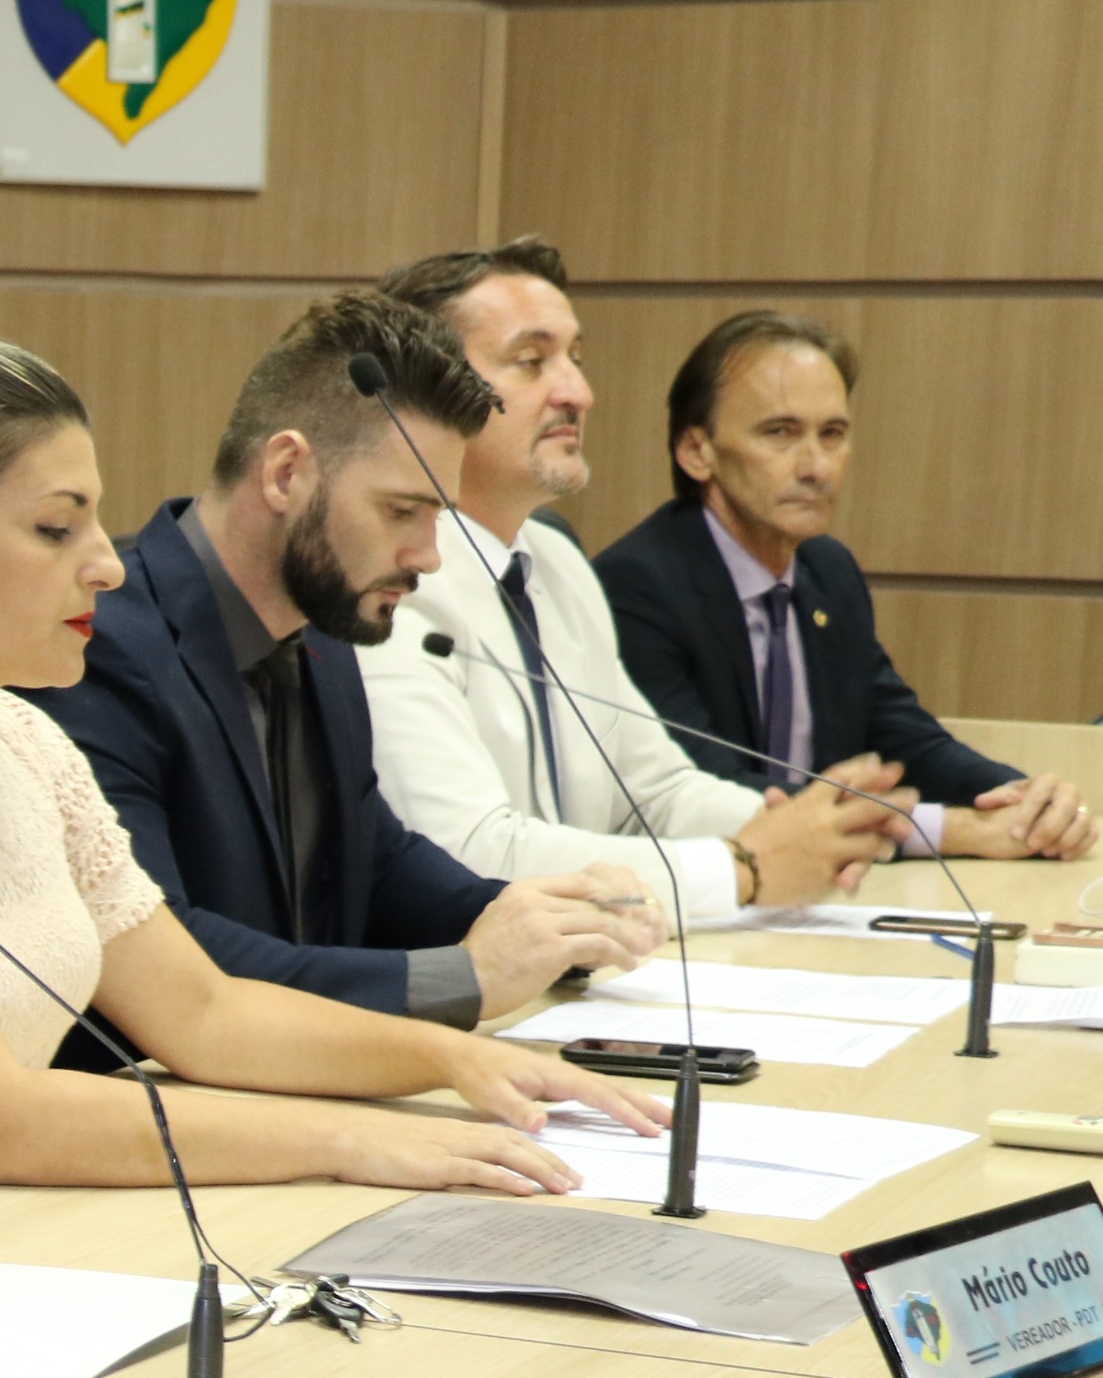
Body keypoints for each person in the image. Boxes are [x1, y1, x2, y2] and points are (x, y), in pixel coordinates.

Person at [0, 329, 664, 1192]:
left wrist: (451, 1060)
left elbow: (202, 1012)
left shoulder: (24, 741)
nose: (107, 563)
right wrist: (347, 1140)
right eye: (56, 528)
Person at [18, 289, 661, 1028]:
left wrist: (538, 923)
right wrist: (465, 976)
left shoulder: (323, 634)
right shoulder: (101, 648)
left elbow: (373, 861)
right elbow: (167, 952)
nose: (428, 557)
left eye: (438, 516)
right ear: (286, 473)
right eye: (402, 511)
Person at [362, 239, 900, 925]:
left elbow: (654, 793)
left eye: (576, 360)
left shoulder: (557, 563)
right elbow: (469, 850)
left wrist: (809, 829)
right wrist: (743, 869)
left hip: (593, 956)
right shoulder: (384, 582)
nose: (578, 393)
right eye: (532, 361)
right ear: (421, 394)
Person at [597, 309, 1098, 861]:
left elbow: (904, 738)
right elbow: (702, 791)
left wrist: (1021, 800)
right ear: (698, 452)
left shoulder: (826, 570)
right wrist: (951, 830)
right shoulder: (637, 585)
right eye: (780, 433)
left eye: (832, 434)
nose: (816, 467)